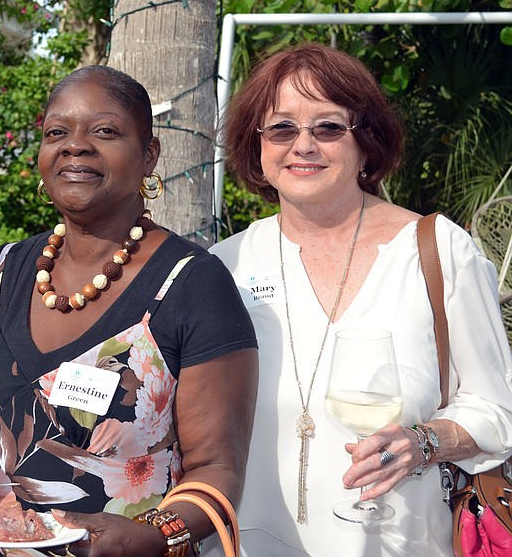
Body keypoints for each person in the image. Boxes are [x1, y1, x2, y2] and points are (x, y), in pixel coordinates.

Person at [0, 65, 259, 556]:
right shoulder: (8, 267)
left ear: (149, 155)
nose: (76, 145)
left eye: (105, 131)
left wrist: (154, 533)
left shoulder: (193, 282)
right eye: (57, 132)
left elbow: (218, 472)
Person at [205, 42, 512, 556]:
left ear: (365, 142)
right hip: (251, 543)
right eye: (281, 128)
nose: (303, 145)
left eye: (328, 127)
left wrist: (424, 442)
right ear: (257, 146)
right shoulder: (225, 265)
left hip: (401, 542)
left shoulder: (436, 252)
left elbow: (499, 410)